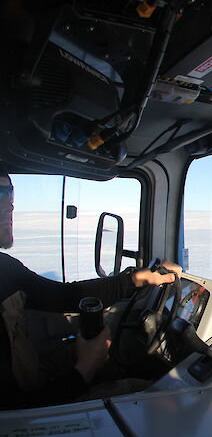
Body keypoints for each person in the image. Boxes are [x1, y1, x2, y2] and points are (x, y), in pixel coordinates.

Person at [0, 166, 182, 409]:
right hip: (29, 416)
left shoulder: (6, 268)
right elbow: (14, 412)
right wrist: (84, 369)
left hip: (33, 382)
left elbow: (63, 296)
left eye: (10, 193)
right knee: (159, 399)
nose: (11, 205)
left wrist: (136, 279)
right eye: (1, 194)